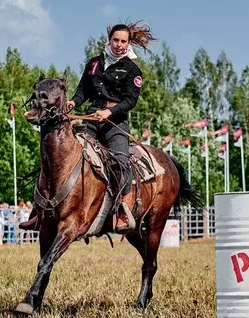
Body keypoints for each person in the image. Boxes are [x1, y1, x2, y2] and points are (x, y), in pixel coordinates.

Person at [20, 22, 153, 234]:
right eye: (116, 40)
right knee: (60, 155)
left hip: (114, 123)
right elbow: (83, 90)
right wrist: (73, 102)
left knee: (120, 160)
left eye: (123, 41)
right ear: (109, 40)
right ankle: (39, 212)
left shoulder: (132, 70)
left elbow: (130, 101)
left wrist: (109, 112)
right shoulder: (94, 63)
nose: (119, 45)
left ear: (128, 44)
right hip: (91, 118)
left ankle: (122, 210)